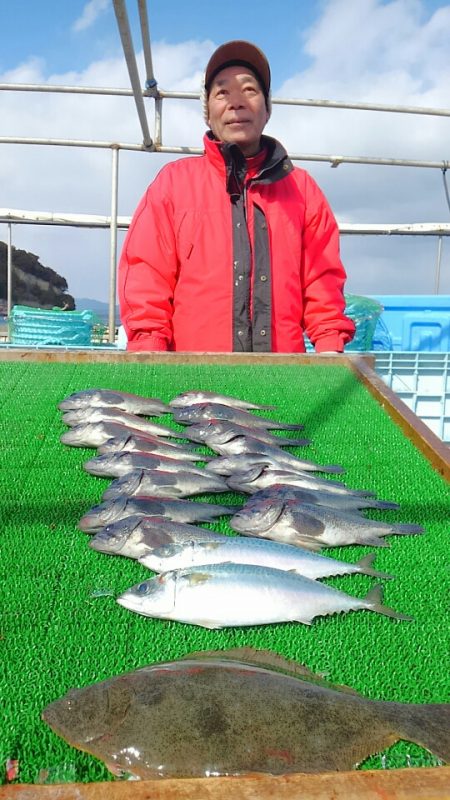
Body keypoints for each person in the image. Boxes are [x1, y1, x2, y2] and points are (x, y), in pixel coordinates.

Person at [118, 40, 355, 353]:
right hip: (193, 384)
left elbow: (322, 282)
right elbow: (146, 274)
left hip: (281, 380)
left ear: (267, 109)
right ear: (208, 112)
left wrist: (329, 346)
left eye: (250, 90)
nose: (236, 102)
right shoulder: (173, 184)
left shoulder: (303, 189)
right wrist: (150, 347)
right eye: (222, 92)